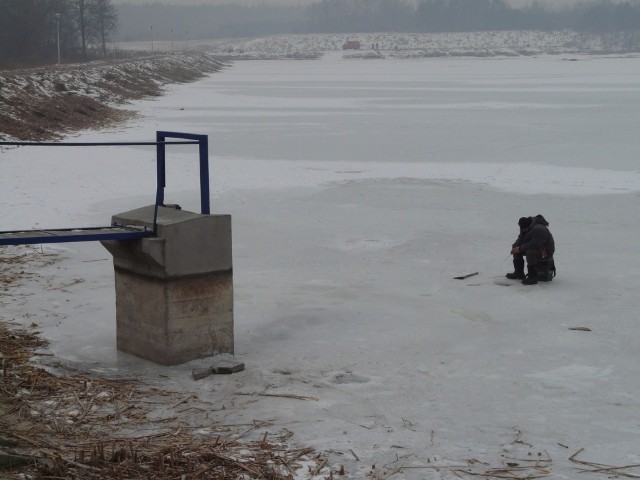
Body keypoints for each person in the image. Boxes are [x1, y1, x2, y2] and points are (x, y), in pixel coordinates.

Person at [506, 214, 555, 285]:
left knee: (530, 252)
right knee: (516, 250)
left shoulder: (540, 229)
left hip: (545, 251)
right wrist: (515, 246)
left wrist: (520, 248)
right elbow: (521, 239)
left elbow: (535, 244)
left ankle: (532, 277)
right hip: (534, 247)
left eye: (524, 229)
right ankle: (519, 273)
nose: (523, 230)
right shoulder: (525, 227)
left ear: (528, 226)